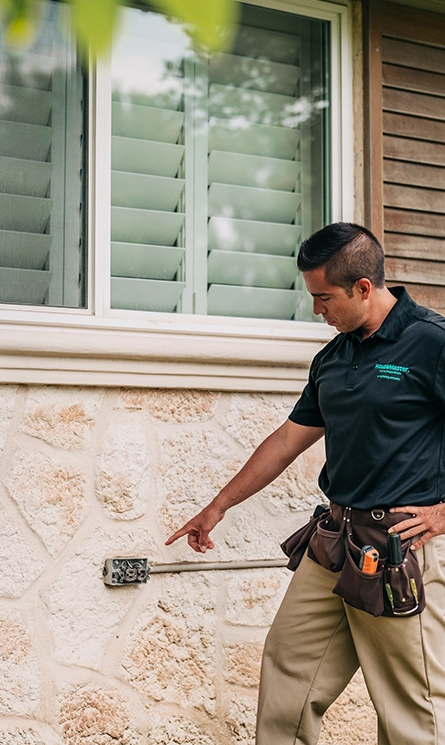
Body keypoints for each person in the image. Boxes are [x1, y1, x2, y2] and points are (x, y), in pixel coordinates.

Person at [166, 222, 445, 745]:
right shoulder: (334, 357)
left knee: (412, 711)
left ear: (364, 287)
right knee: (288, 676)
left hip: (401, 551)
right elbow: (289, 438)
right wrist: (218, 506)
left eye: (324, 297)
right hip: (336, 543)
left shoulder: (430, 343)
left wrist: (443, 513)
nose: (316, 310)